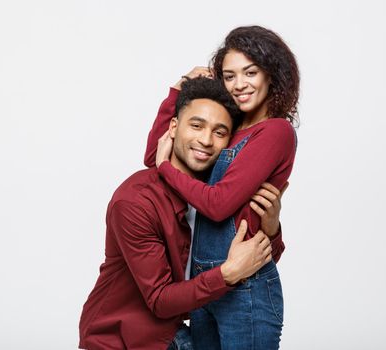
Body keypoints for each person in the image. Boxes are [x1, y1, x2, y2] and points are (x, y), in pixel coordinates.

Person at [79, 77, 284, 350]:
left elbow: (253, 262)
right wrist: (227, 273)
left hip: (174, 332)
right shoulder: (136, 201)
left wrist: (270, 228)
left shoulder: (216, 197)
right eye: (196, 125)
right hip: (121, 339)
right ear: (174, 127)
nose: (206, 140)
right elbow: (160, 300)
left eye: (220, 132)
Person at [146, 26, 299, 349]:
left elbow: (218, 204)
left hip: (246, 286)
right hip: (208, 283)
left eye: (250, 72)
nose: (239, 85)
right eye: (229, 76)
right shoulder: (228, 127)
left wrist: (164, 167)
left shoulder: (275, 131)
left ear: (271, 74)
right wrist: (177, 92)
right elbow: (155, 158)